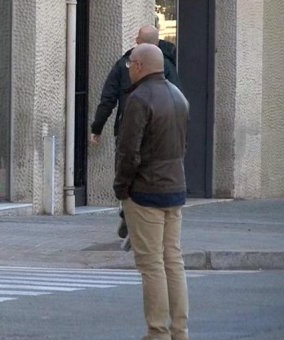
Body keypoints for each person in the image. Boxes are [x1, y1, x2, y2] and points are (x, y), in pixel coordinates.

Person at [114, 43, 189, 340]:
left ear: (142, 66)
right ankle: (179, 332)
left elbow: (128, 152)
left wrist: (122, 188)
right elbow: (183, 145)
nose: (129, 68)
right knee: (173, 260)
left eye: (131, 63)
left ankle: (157, 332)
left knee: (151, 265)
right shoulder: (179, 96)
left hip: (145, 190)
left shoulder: (139, 99)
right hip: (174, 187)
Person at [89, 25, 182, 243]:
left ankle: (130, 215)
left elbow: (108, 98)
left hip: (128, 131)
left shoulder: (125, 65)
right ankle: (137, 219)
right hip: (161, 137)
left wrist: (97, 127)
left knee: (128, 172)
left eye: (138, 38)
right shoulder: (168, 67)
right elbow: (179, 102)